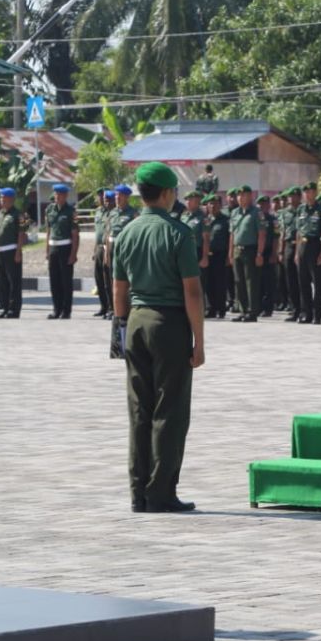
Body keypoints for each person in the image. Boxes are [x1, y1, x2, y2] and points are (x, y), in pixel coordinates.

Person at [112, 162, 205, 514]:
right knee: (170, 410)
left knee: (140, 409)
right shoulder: (178, 233)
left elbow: (118, 290)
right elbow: (192, 292)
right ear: (167, 193)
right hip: (168, 324)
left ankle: (138, 492)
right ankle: (161, 492)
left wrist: (121, 331)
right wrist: (199, 341)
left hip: (135, 321)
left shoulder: (127, 233)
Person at [228, 186, 265, 322]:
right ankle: (243, 310)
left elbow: (261, 234)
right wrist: (230, 253)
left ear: (250, 196)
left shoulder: (256, 213)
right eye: (238, 195)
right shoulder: (234, 213)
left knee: (251, 282)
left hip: (251, 250)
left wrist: (259, 254)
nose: (240, 198)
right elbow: (232, 234)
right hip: (237, 249)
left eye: (243, 195)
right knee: (239, 282)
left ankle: (252, 311)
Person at [296, 183, 321, 324]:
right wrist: (297, 253)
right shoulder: (301, 209)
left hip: (315, 245)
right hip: (302, 245)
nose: (308, 194)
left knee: (317, 282)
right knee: (303, 282)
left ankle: (317, 314)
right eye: (306, 192)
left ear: (315, 193)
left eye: (310, 191)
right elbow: (298, 231)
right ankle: (306, 313)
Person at [45, 183, 79, 319]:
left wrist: (73, 254)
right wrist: (47, 250)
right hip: (53, 247)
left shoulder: (71, 212)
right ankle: (56, 309)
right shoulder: (49, 210)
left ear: (65, 196)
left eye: (60, 194)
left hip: (66, 248)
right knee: (54, 281)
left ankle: (66, 311)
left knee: (66, 282)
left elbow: (75, 235)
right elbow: (48, 231)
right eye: (56, 194)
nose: (57, 196)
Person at [0, 187, 24, 318]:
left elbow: (21, 234)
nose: (1, 200)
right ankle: (4, 308)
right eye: (1, 198)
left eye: (4, 198)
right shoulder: (0, 214)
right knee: (2, 281)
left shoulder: (18, 215)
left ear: (11, 199)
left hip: (11, 251)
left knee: (13, 282)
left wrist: (18, 251)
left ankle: (14, 309)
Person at [204, 195, 229, 317]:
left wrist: (229, 256)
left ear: (220, 205)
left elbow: (230, 239)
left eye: (215, 204)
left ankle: (221, 309)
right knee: (209, 283)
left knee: (220, 283)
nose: (212, 206)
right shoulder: (206, 220)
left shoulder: (225, 220)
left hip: (220, 254)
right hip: (207, 255)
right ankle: (211, 308)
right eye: (210, 204)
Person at [93, 189, 116, 318]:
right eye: (102, 198)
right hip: (99, 249)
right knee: (99, 279)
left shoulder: (113, 214)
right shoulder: (98, 212)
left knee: (109, 280)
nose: (104, 201)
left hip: (109, 248)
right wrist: (94, 250)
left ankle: (112, 307)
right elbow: (97, 233)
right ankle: (103, 306)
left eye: (107, 199)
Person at [279, 188, 301, 320]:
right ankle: (294, 309)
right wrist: (280, 251)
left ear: (299, 197)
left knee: (302, 280)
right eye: (289, 197)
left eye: (294, 196)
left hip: (300, 245)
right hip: (288, 245)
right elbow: (283, 231)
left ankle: (304, 308)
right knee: (290, 280)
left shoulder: (303, 211)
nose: (291, 199)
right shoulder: (285, 213)